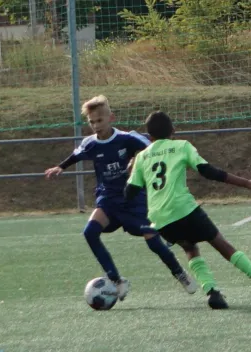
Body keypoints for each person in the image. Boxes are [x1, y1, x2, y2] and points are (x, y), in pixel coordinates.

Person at [125, 111, 251, 309]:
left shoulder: (142, 157)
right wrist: (246, 183)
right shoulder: (181, 146)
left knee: (189, 247)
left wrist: (130, 172)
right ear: (173, 130)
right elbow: (208, 171)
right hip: (185, 209)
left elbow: (129, 193)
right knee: (224, 246)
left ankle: (212, 292)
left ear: (149, 137)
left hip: (161, 220)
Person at [45, 96, 197, 301]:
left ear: (111, 118)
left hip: (133, 199)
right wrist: (60, 167)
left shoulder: (127, 139)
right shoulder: (90, 144)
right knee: (90, 232)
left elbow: (151, 148)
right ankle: (117, 281)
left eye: (100, 120)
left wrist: (135, 159)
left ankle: (179, 273)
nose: (96, 126)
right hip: (107, 200)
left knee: (152, 240)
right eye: (92, 122)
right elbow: (76, 155)